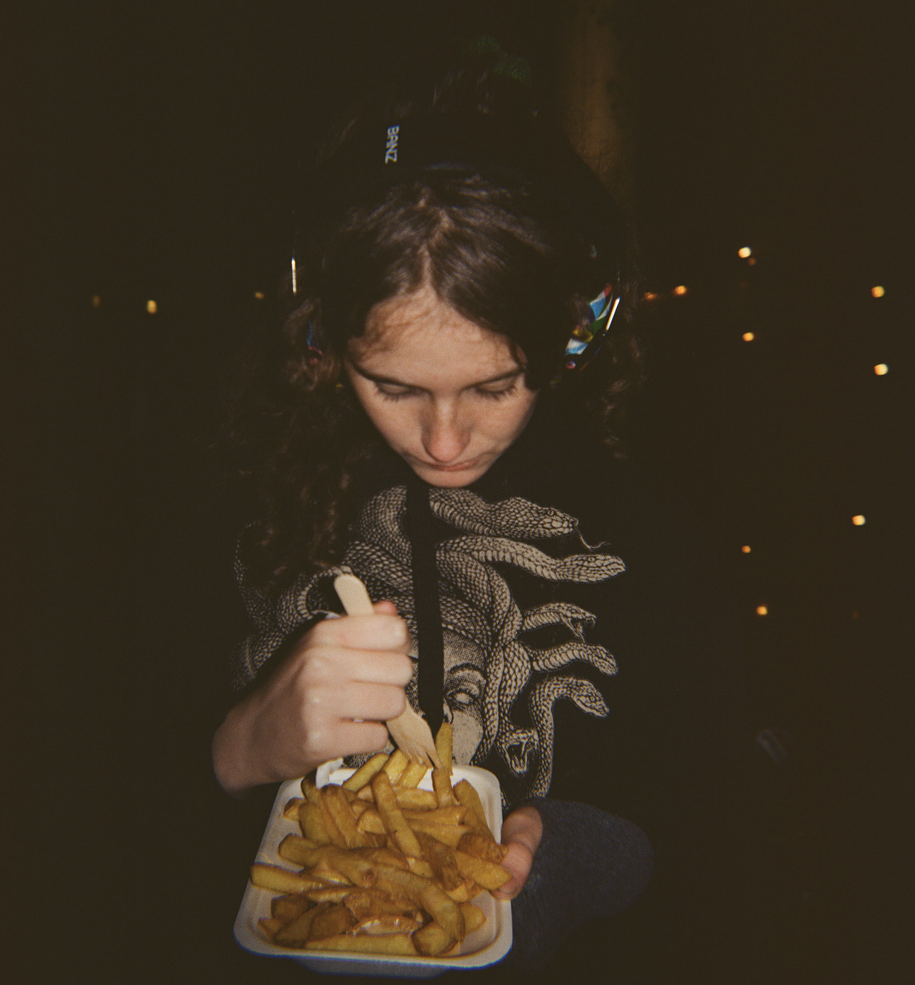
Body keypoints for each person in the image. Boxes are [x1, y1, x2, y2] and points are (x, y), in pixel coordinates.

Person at [212, 66, 728, 972]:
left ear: (579, 331)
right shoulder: (216, 489)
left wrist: (584, 849)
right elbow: (61, 811)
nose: (445, 442)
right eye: (395, 386)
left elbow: (716, 798)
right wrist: (240, 742)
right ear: (321, 343)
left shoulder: (647, 512)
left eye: (495, 385)